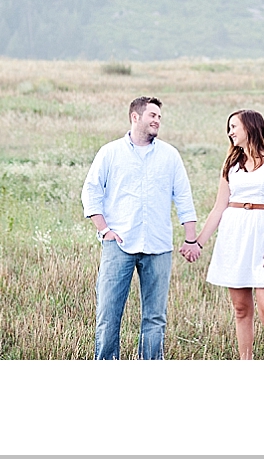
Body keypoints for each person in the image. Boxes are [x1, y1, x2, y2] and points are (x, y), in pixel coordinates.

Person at [81, 96, 200, 359]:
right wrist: (104, 230)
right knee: (108, 314)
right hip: (119, 244)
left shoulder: (170, 155)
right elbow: (91, 191)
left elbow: (183, 197)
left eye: (159, 117)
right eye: (152, 115)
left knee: (155, 318)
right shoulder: (110, 152)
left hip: (158, 245)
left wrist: (190, 238)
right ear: (135, 117)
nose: (157, 120)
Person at [187, 109, 264, 359]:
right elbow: (219, 207)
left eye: (234, 126)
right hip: (234, 237)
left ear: (250, 127)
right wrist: (197, 243)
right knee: (241, 309)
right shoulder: (231, 165)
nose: (230, 132)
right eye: (229, 128)